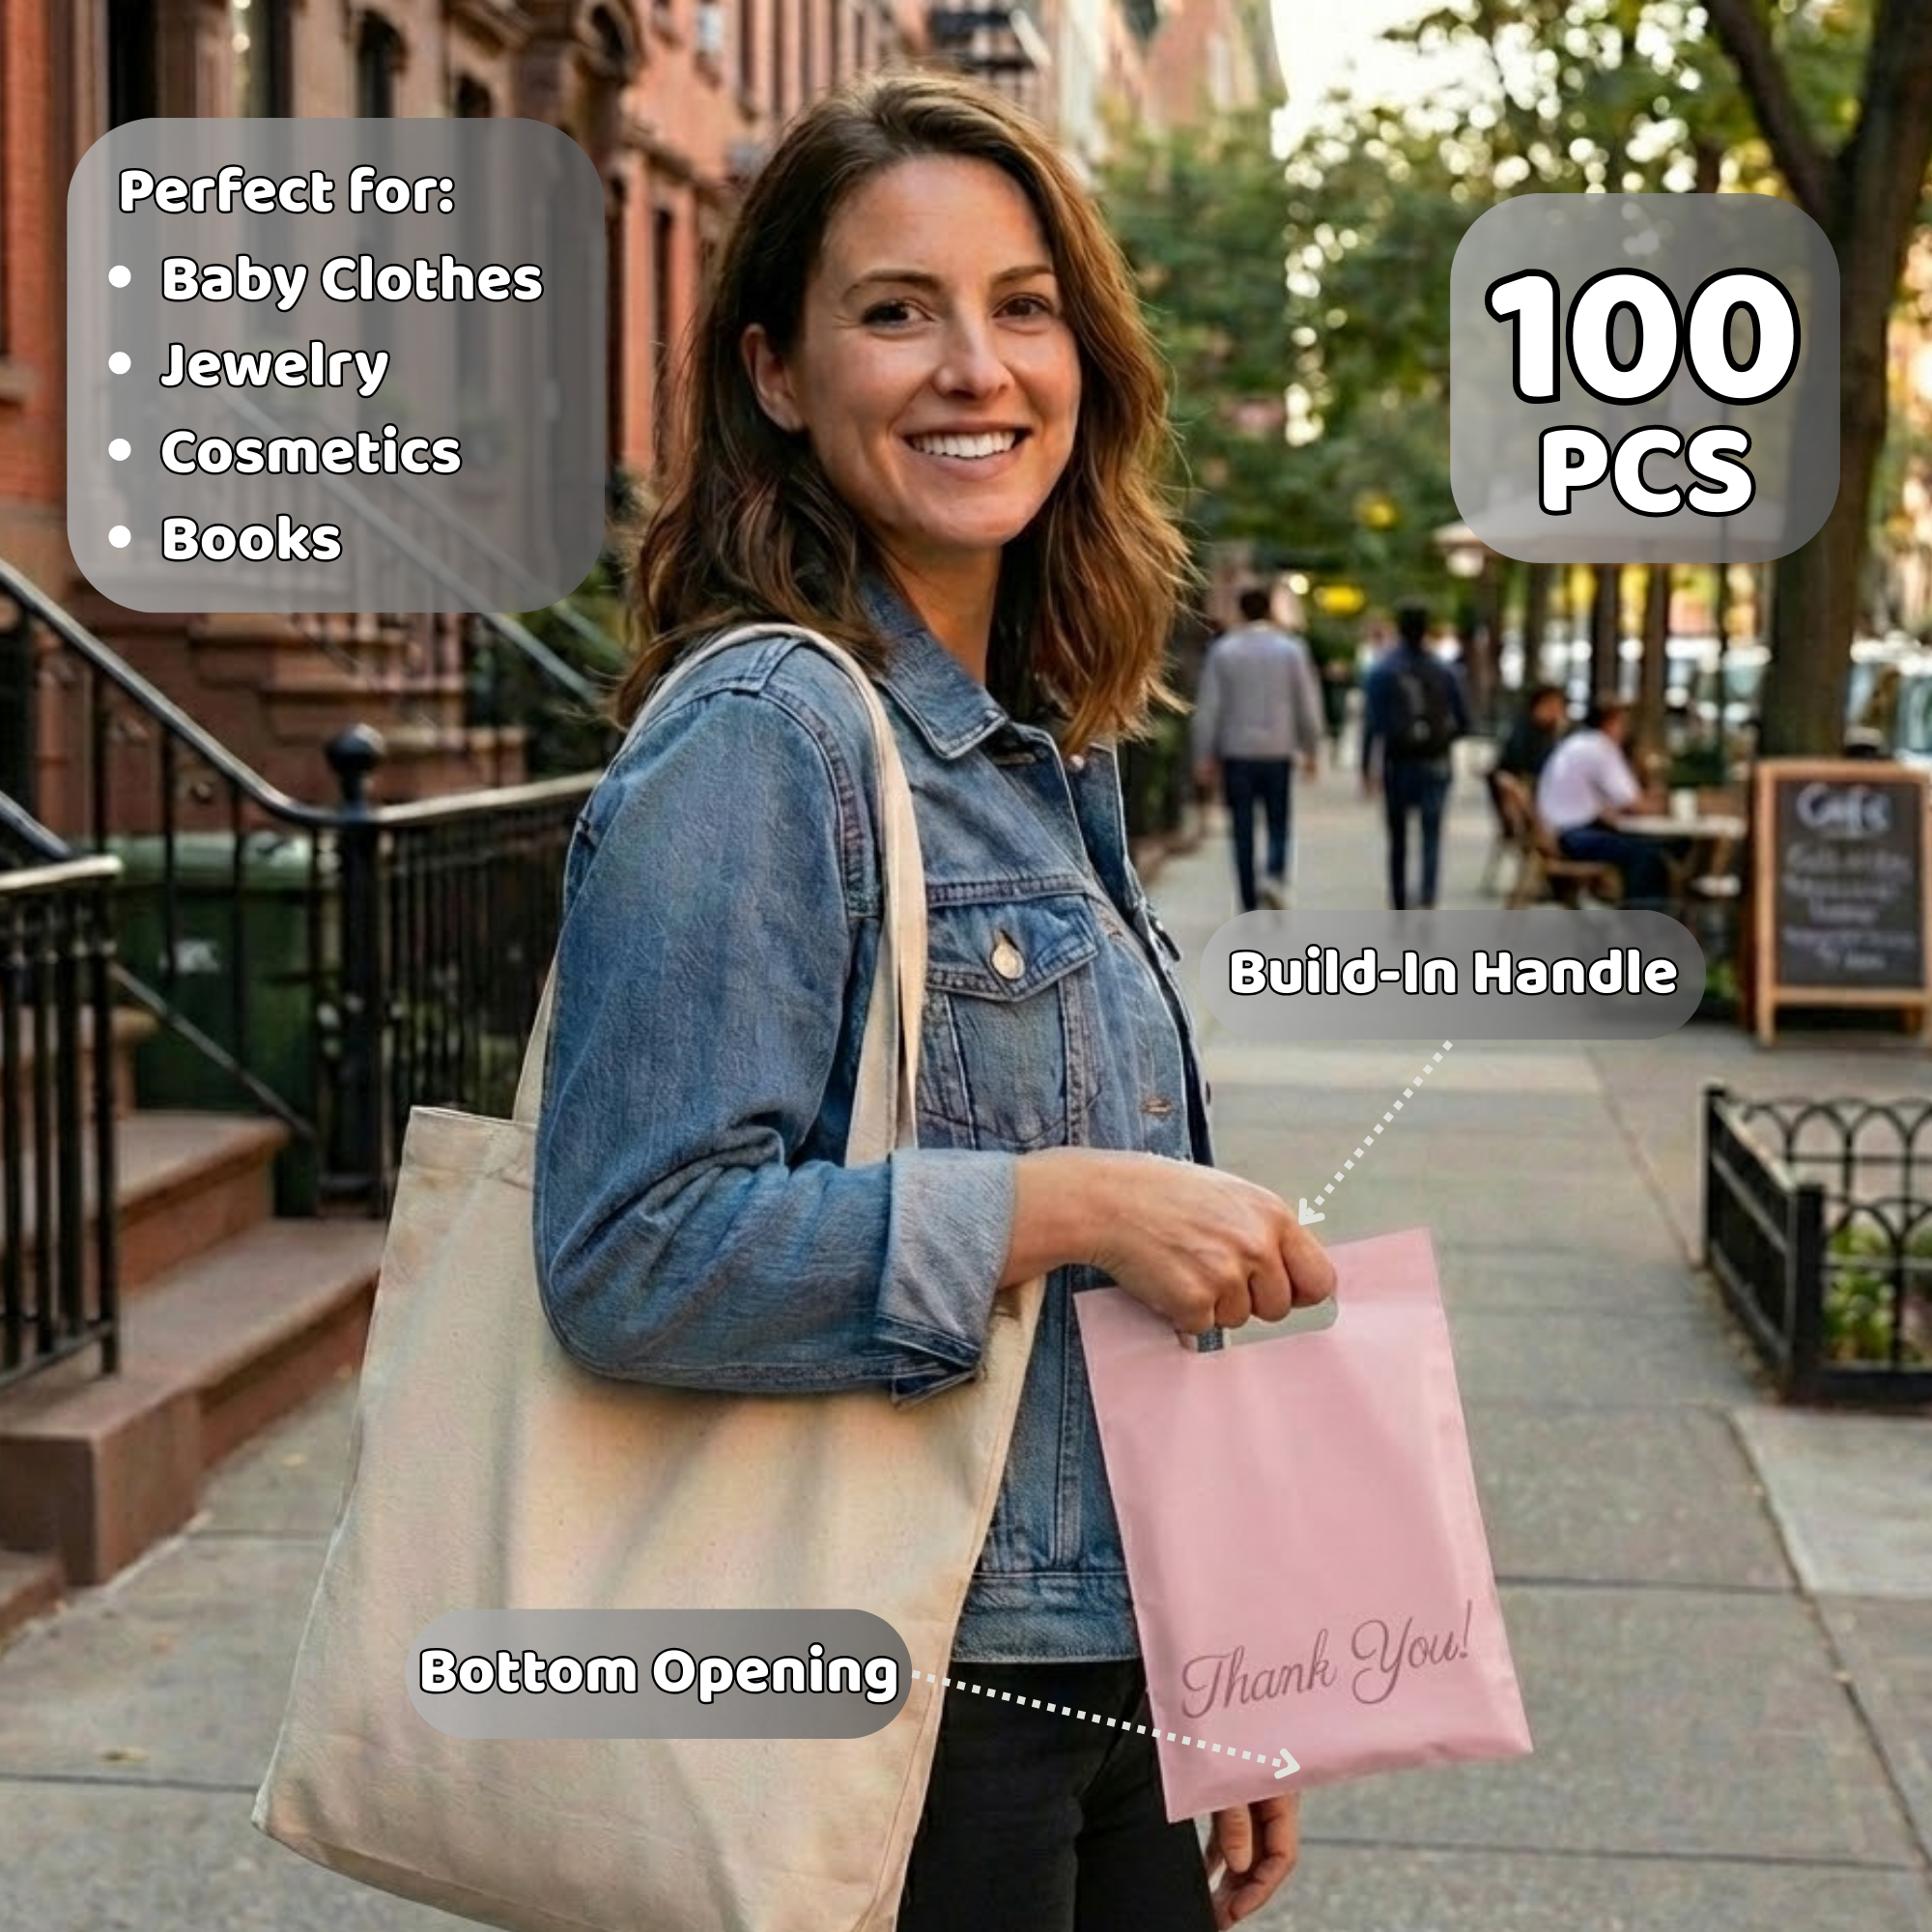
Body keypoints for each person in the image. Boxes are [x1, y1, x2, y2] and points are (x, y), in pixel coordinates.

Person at [530, 74, 1335, 1932]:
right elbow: (633, 1252)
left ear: (1086, 358)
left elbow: (1099, 1345)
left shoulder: (1030, 753)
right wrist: (1067, 1206)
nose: (975, 364)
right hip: (908, 1705)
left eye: (1024, 304)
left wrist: (1235, 1654)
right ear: (779, 376)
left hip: (1097, 1660)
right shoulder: (767, 734)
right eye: (898, 310)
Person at [1191, 586, 1324, 910]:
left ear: (1240, 611)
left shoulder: (1224, 651)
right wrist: (1311, 747)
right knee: (1279, 819)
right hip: (1278, 749)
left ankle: (1248, 899)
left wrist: (1204, 754)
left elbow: (1210, 706)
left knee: (1242, 827)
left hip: (1237, 751)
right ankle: (1275, 876)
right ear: (1270, 610)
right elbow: (1306, 702)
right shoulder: (1291, 650)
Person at [1359, 600, 1470, 910]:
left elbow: (1373, 723)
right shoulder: (1445, 671)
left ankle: (1398, 897)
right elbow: (1464, 721)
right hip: (1436, 760)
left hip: (1398, 761)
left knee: (1398, 836)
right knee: (1431, 833)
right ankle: (1428, 894)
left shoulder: (1382, 670)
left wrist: (1367, 766)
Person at [1534, 696, 1673, 904]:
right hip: (1573, 836)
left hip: (1556, 831)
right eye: (1623, 723)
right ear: (1610, 723)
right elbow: (1631, 801)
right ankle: (1644, 922)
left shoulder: (1580, 743)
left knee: (1640, 849)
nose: (1626, 730)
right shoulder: (1601, 749)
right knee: (1646, 856)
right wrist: (1661, 803)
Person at [1493, 683, 1568, 783]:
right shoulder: (1523, 728)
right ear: (1538, 705)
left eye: (1559, 707)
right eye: (1551, 705)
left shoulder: (1555, 731)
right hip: (1517, 783)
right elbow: (1529, 765)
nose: (1555, 712)